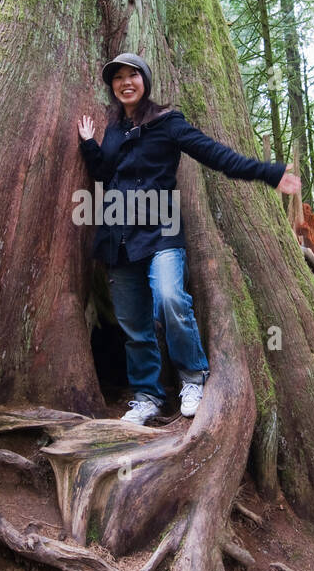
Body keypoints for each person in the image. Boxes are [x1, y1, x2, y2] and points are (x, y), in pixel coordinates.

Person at [77, 52, 301, 424]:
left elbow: (214, 155)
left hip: (162, 228)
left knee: (169, 298)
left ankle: (193, 377)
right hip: (118, 235)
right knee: (134, 323)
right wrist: (89, 143)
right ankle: (147, 395)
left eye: (133, 75)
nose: (125, 82)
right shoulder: (114, 129)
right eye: (118, 77)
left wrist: (267, 172)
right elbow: (104, 174)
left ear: (145, 81)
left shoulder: (168, 122)